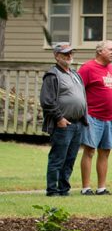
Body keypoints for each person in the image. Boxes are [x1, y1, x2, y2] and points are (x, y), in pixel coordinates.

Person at [41, 42, 87, 197]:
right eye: (65, 54)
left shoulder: (75, 74)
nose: (69, 56)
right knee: (58, 158)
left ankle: (63, 189)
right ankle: (52, 190)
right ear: (56, 56)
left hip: (77, 123)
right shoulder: (52, 75)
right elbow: (47, 101)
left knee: (70, 158)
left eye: (70, 53)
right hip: (62, 123)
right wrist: (59, 118)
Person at [77, 40, 112, 195]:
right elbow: (78, 90)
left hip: (110, 117)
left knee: (105, 152)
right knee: (89, 151)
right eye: (110, 49)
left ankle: (101, 187)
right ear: (99, 51)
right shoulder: (88, 68)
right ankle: (86, 187)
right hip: (93, 116)